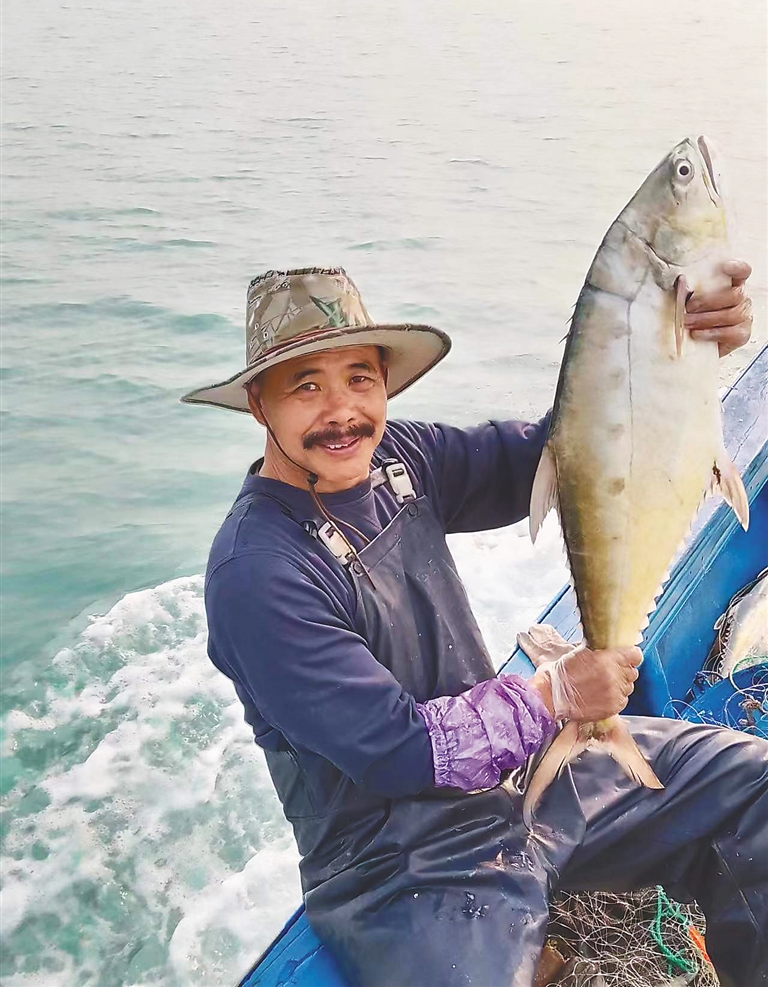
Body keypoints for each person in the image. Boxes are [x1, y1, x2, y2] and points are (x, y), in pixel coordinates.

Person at [182, 265, 765, 987]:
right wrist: (555, 694)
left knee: (754, 788)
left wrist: (673, 350)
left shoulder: (403, 460)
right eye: (305, 386)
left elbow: (567, 449)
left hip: (523, 773)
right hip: (399, 862)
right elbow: (400, 751)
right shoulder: (256, 572)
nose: (341, 411)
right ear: (258, 403)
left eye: (360, 378)